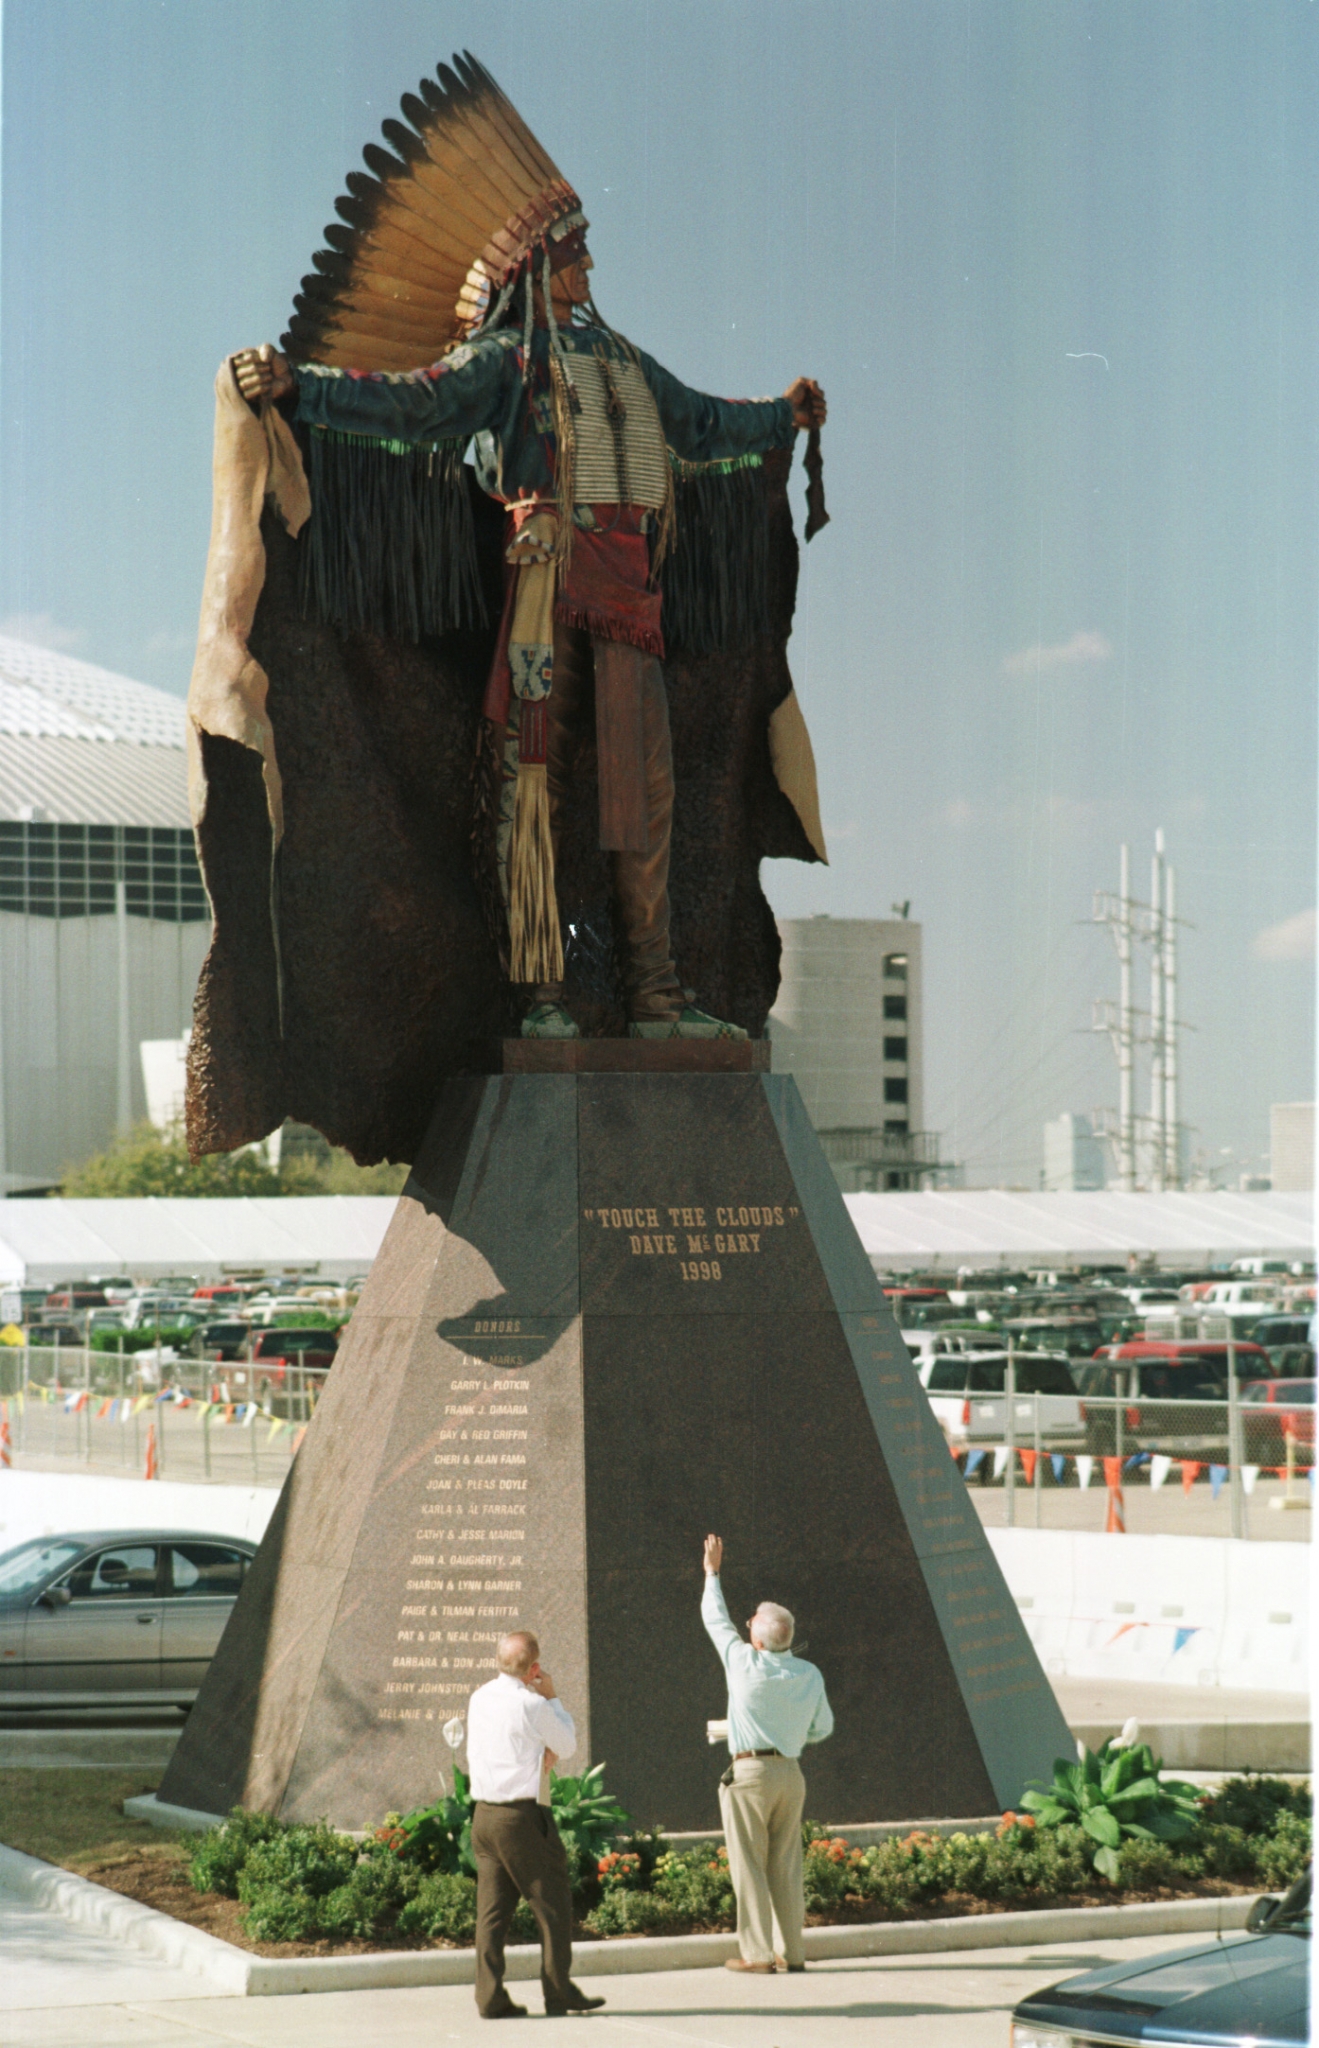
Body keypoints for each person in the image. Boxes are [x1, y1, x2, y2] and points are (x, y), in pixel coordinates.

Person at [229, 51, 825, 1044]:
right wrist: (302, 385)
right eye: (576, 251)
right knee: (532, 787)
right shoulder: (500, 362)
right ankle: (540, 995)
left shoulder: (623, 363)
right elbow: (408, 403)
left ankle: (654, 995)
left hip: (630, 605)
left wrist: (780, 416)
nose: (591, 264)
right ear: (538, 270)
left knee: (644, 802)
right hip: (544, 595)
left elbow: (700, 426)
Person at [701, 1533, 834, 1974]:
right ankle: (791, 1953)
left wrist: (712, 1574)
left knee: (749, 1865)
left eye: (751, 1621)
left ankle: (757, 1955)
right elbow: (824, 1727)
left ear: (757, 1641)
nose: (744, 1623)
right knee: (786, 1866)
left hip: (749, 1774)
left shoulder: (742, 1662)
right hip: (790, 1774)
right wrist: (792, 1734)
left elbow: (715, 1620)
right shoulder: (809, 1674)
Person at [465, 1629, 605, 2020]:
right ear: (535, 1668)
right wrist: (553, 1696)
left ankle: (489, 1997)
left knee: (491, 1914)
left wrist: (540, 1750)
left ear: (498, 1661)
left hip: (484, 1817)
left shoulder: (479, 1697)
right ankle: (559, 1993)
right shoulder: (532, 1704)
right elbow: (569, 1743)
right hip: (522, 1818)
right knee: (553, 1906)